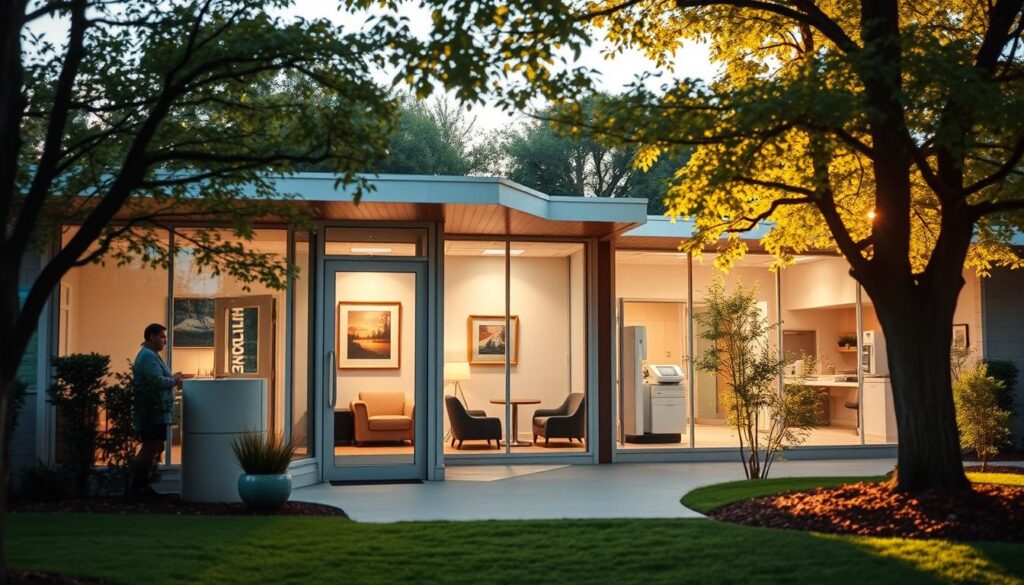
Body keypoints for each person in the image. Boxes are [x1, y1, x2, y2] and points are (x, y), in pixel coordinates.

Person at [129, 323, 183, 497]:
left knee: (156, 446)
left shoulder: (153, 355)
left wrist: (174, 380)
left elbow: (161, 378)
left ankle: (142, 486)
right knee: (150, 447)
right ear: (151, 337)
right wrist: (174, 380)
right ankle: (137, 488)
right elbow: (156, 381)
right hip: (152, 411)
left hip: (158, 411)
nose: (164, 341)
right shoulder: (147, 356)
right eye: (162, 337)